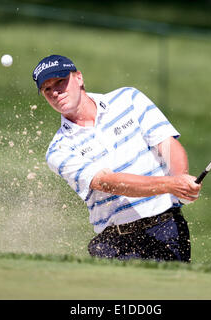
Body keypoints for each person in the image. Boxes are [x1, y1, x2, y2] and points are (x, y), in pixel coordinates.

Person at [32, 54, 201, 262]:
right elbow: (106, 182)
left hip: (167, 229)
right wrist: (170, 184)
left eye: (60, 82)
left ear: (78, 78)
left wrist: (181, 179)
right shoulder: (59, 150)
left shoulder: (128, 99)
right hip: (116, 243)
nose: (56, 92)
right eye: (47, 89)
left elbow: (166, 144)